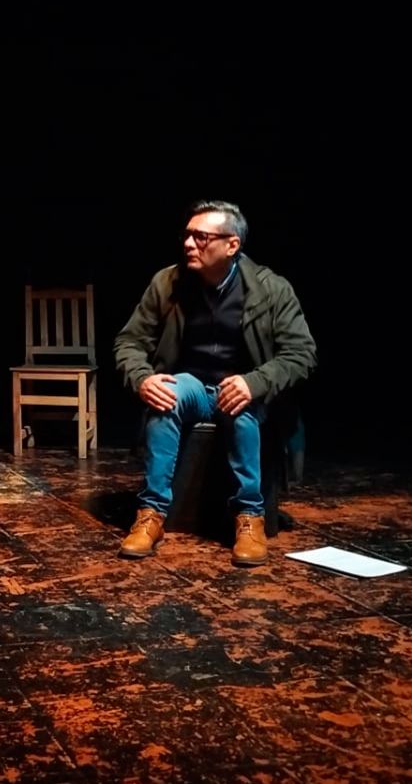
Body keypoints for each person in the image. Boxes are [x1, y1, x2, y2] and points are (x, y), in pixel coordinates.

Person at [113, 200, 317, 565]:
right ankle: (151, 515)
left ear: (232, 244)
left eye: (201, 237)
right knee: (166, 395)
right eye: (187, 235)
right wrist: (143, 378)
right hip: (191, 385)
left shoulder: (271, 289)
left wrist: (255, 382)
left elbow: (301, 353)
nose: (189, 244)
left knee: (241, 405)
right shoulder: (167, 283)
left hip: (240, 388)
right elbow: (129, 341)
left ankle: (249, 517)